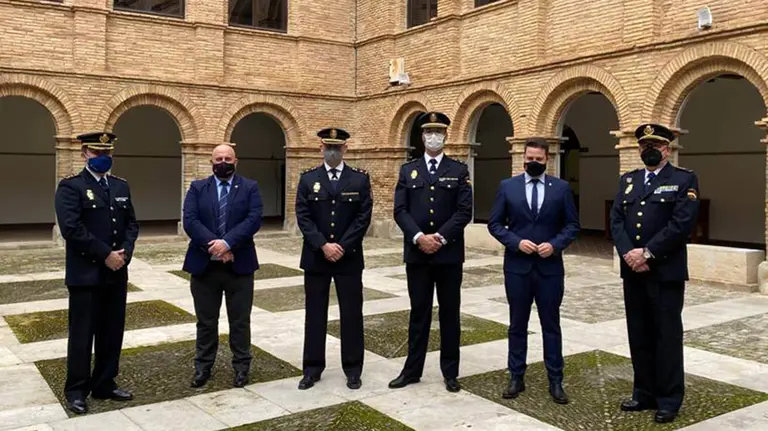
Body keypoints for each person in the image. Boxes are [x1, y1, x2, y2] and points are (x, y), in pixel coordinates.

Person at [610, 123, 700, 424]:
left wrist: (647, 253)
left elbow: (681, 224)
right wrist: (628, 254)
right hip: (633, 272)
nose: (649, 151)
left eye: (656, 146)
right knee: (639, 333)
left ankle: (669, 398)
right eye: (644, 146)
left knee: (666, 336)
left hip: (664, 272)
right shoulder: (629, 180)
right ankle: (643, 392)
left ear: (667, 148)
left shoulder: (683, 179)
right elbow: (617, 220)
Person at [487, 138, 579, 404]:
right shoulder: (508, 187)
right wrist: (516, 242)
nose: (533, 163)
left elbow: (572, 225)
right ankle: (516, 376)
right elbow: (495, 224)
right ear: (523, 158)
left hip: (550, 268)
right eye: (529, 159)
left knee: (551, 325)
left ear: (547, 159)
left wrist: (555, 245)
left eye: (538, 159)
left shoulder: (561, 188)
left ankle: (556, 380)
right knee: (517, 324)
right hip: (518, 268)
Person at [54, 132, 139, 415]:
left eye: (107, 151)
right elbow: (72, 229)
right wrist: (106, 254)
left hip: (116, 273)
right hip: (86, 274)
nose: (102, 157)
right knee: (82, 334)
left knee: (112, 331)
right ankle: (76, 389)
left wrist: (124, 253)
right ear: (84, 154)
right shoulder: (70, 187)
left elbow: (131, 225)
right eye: (95, 152)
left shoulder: (120, 186)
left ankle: (104, 382)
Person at [389, 111, 473, 393]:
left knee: (450, 313)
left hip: (448, 255)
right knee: (418, 313)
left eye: (438, 132)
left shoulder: (459, 170)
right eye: (428, 132)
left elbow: (464, 212)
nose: (433, 137)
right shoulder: (407, 169)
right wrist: (418, 237)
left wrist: (438, 237)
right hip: (418, 255)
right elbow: (400, 210)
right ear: (422, 136)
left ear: (446, 136)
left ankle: (450, 372)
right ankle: (412, 370)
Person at [295, 127, 373, 390]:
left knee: (351, 314)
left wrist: (341, 246)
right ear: (320, 149)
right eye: (327, 147)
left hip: (348, 258)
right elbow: (303, 216)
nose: (332, 151)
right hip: (316, 258)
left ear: (345, 150)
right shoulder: (308, 179)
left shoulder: (359, 179)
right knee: (315, 314)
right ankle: (312, 368)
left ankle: (352, 368)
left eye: (337, 148)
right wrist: (323, 245)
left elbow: (363, 217)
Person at [182, 144, 263, 389]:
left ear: (236, 160)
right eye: (219, 158)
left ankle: (241, 367)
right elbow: (190, 220)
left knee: (240, 320)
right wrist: (215, 246)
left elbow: (253, 219)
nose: (223, 162)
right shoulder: (197, 188)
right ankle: (203, 367)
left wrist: (228, 244)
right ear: (211, 161)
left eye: (228, 158)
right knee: (206, 321)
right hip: (204, 266)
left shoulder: (250, 187)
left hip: (240, 265)